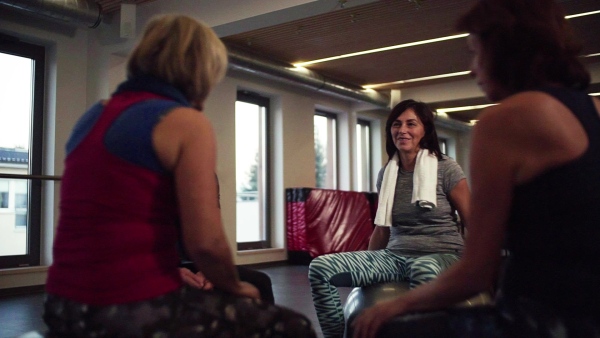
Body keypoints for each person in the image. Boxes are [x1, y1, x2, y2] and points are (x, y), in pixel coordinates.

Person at [43, 14, 315, 337]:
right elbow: (207, 244)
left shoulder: (95, 114)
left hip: (61, 305)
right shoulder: (185, 122)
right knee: (293, 327)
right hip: (126, 310)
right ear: (202, 71)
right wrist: (236, 288)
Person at [352, 1, 600, 337]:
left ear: (503, 51)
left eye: (475, 52)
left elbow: (476, 272)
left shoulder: (503, 121)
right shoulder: (594, 108)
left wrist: (395, 306)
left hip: (538, 321)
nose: (472, 69)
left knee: (381, 329)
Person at [308, 99, 471, 338]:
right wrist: (366, 269)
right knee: (320, 268)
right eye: (396, 124)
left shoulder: (446, 168)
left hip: (443, 255)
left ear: (425, 130)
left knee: (423, 267)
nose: (402, 130)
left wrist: (475, 268)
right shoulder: (387, 173)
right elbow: (382, 229)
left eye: (411, 124)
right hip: (396, 256)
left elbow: (472, 220)